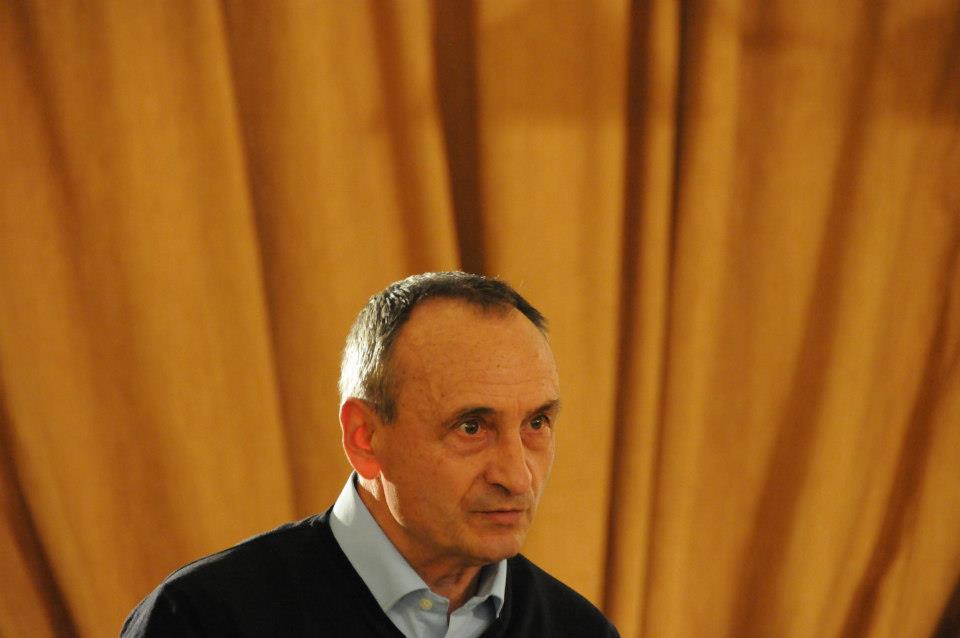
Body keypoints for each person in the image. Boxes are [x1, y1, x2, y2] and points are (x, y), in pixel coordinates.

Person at [122, 271, 619, 637]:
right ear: (364, 437)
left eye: (537, 423)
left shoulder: (581, 631)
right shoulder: (201, 621)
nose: (517, 477)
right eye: (471, 427)